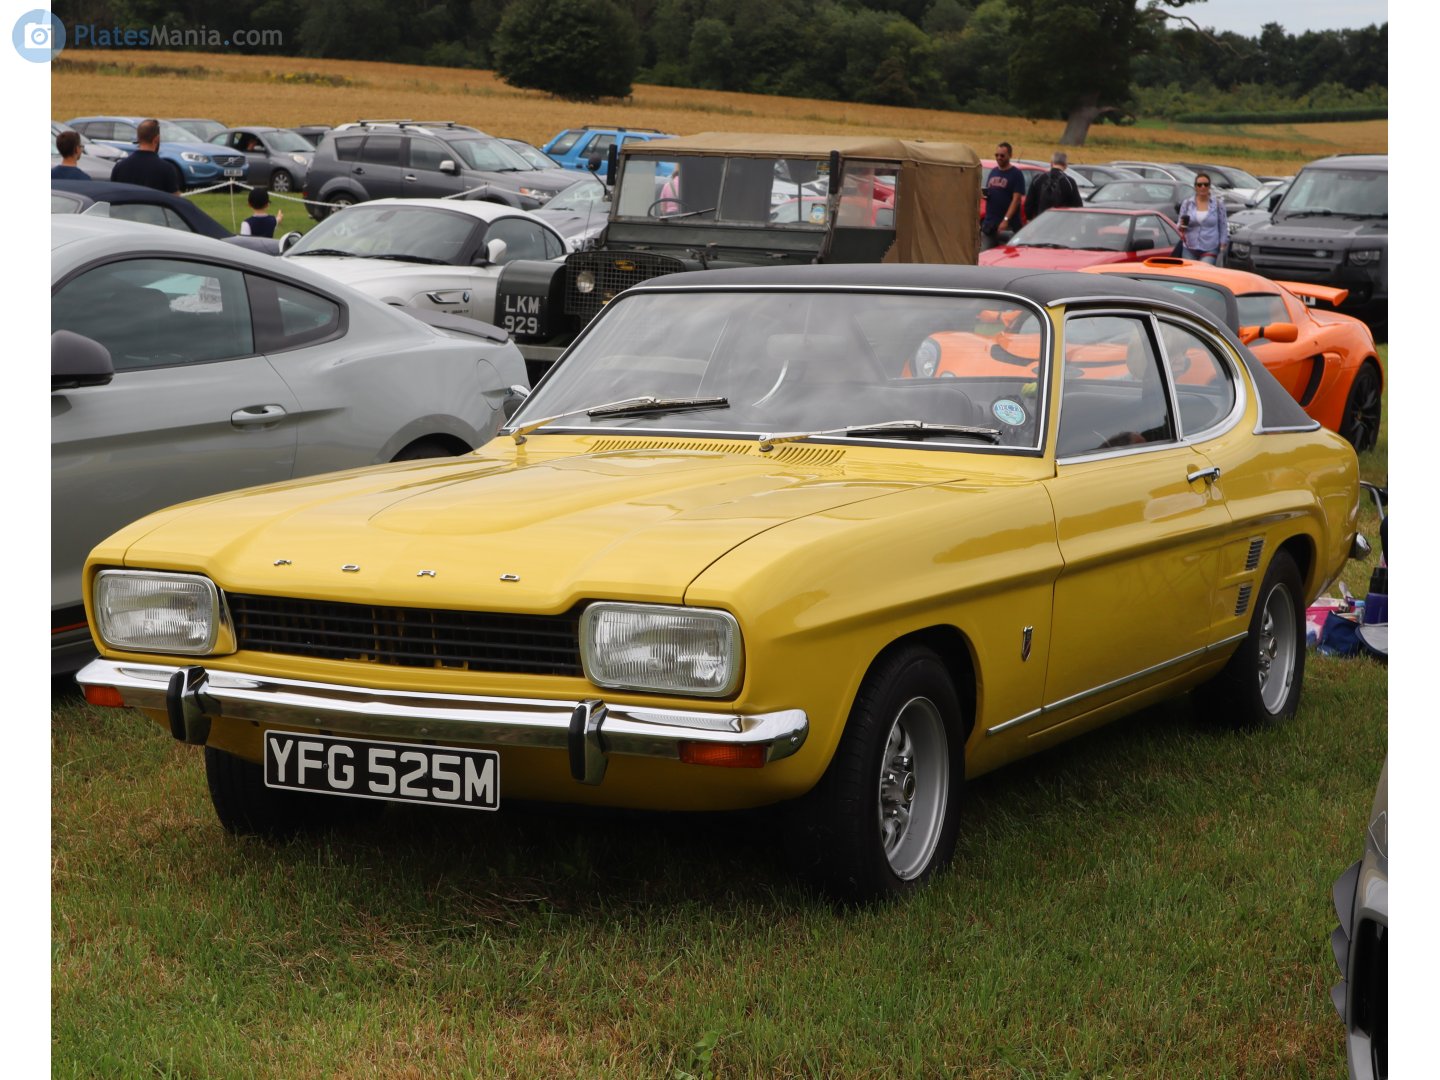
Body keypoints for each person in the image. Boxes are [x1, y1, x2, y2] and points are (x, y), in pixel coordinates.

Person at [109, 119, 180, 193]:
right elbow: (175, 199)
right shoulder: (167, 169)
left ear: (138, 138)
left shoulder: (120, 167)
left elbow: (114, 194)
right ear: (156, 139)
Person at [980, 142, 1025, 251]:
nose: (999, 158)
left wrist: (1006, 220)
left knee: (1005, 256)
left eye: (1002, 155)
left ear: (1010, 155)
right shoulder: (993, 171)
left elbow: (1016, 199)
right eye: (996, 155)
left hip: (1007, 226)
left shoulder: (1016, 174)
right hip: (990, 225)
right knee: (985, 255)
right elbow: (989, 193)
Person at [1177, 172, 1228, 264]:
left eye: (1206, 184)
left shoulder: (1218, 204)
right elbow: (1179, 226)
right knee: (1189, 274)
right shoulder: (1187, 203)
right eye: (1199, 185)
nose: (1203, 187)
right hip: (1189, 247)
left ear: (1209, 187)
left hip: (1210, 247)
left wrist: (1223, 244)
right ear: (1195, 187)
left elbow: (1223, 226)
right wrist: (1182, 225)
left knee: (1203, 271)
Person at [1023, 150, 1083, 221]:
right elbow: (1078, 206)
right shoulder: (1069, 182)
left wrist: (1029, 219)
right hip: (1061, 223)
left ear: (1051, 163)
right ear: (1066, 165)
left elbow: (1029, 204)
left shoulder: (1038, 179)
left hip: (1040, 221)